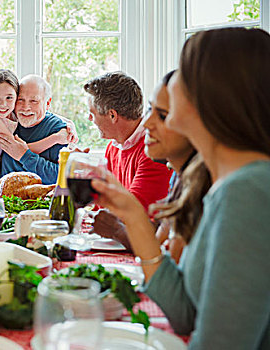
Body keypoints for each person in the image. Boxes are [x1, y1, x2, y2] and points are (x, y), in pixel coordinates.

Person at [92, 28, 270, 348]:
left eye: (185, 73)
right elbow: (185, 314)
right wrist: (133, 217)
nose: (173, 81)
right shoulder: (220, 182)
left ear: (215, 98)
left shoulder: (250, 191)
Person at [93, 71, 211, 263]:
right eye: (149, 109)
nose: (146, 122)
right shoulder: (180, 179)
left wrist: (122, 222)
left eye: (163, 115)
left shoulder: (210, 189)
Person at [84, 72, 172, 211]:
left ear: (112, 115)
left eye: (92, 113)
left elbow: (132, 211)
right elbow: (103, 202)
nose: (89, 118)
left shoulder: (153, 149)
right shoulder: (114, 146)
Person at [0, 74, 72, 185]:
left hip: (41, 200)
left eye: (34, 101)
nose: (26, 107)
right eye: (20, 100)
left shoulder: (58, 129)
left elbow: (61, 176)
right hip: (4, 198)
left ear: (48, 103)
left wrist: (25, 156)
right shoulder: (7, 120)